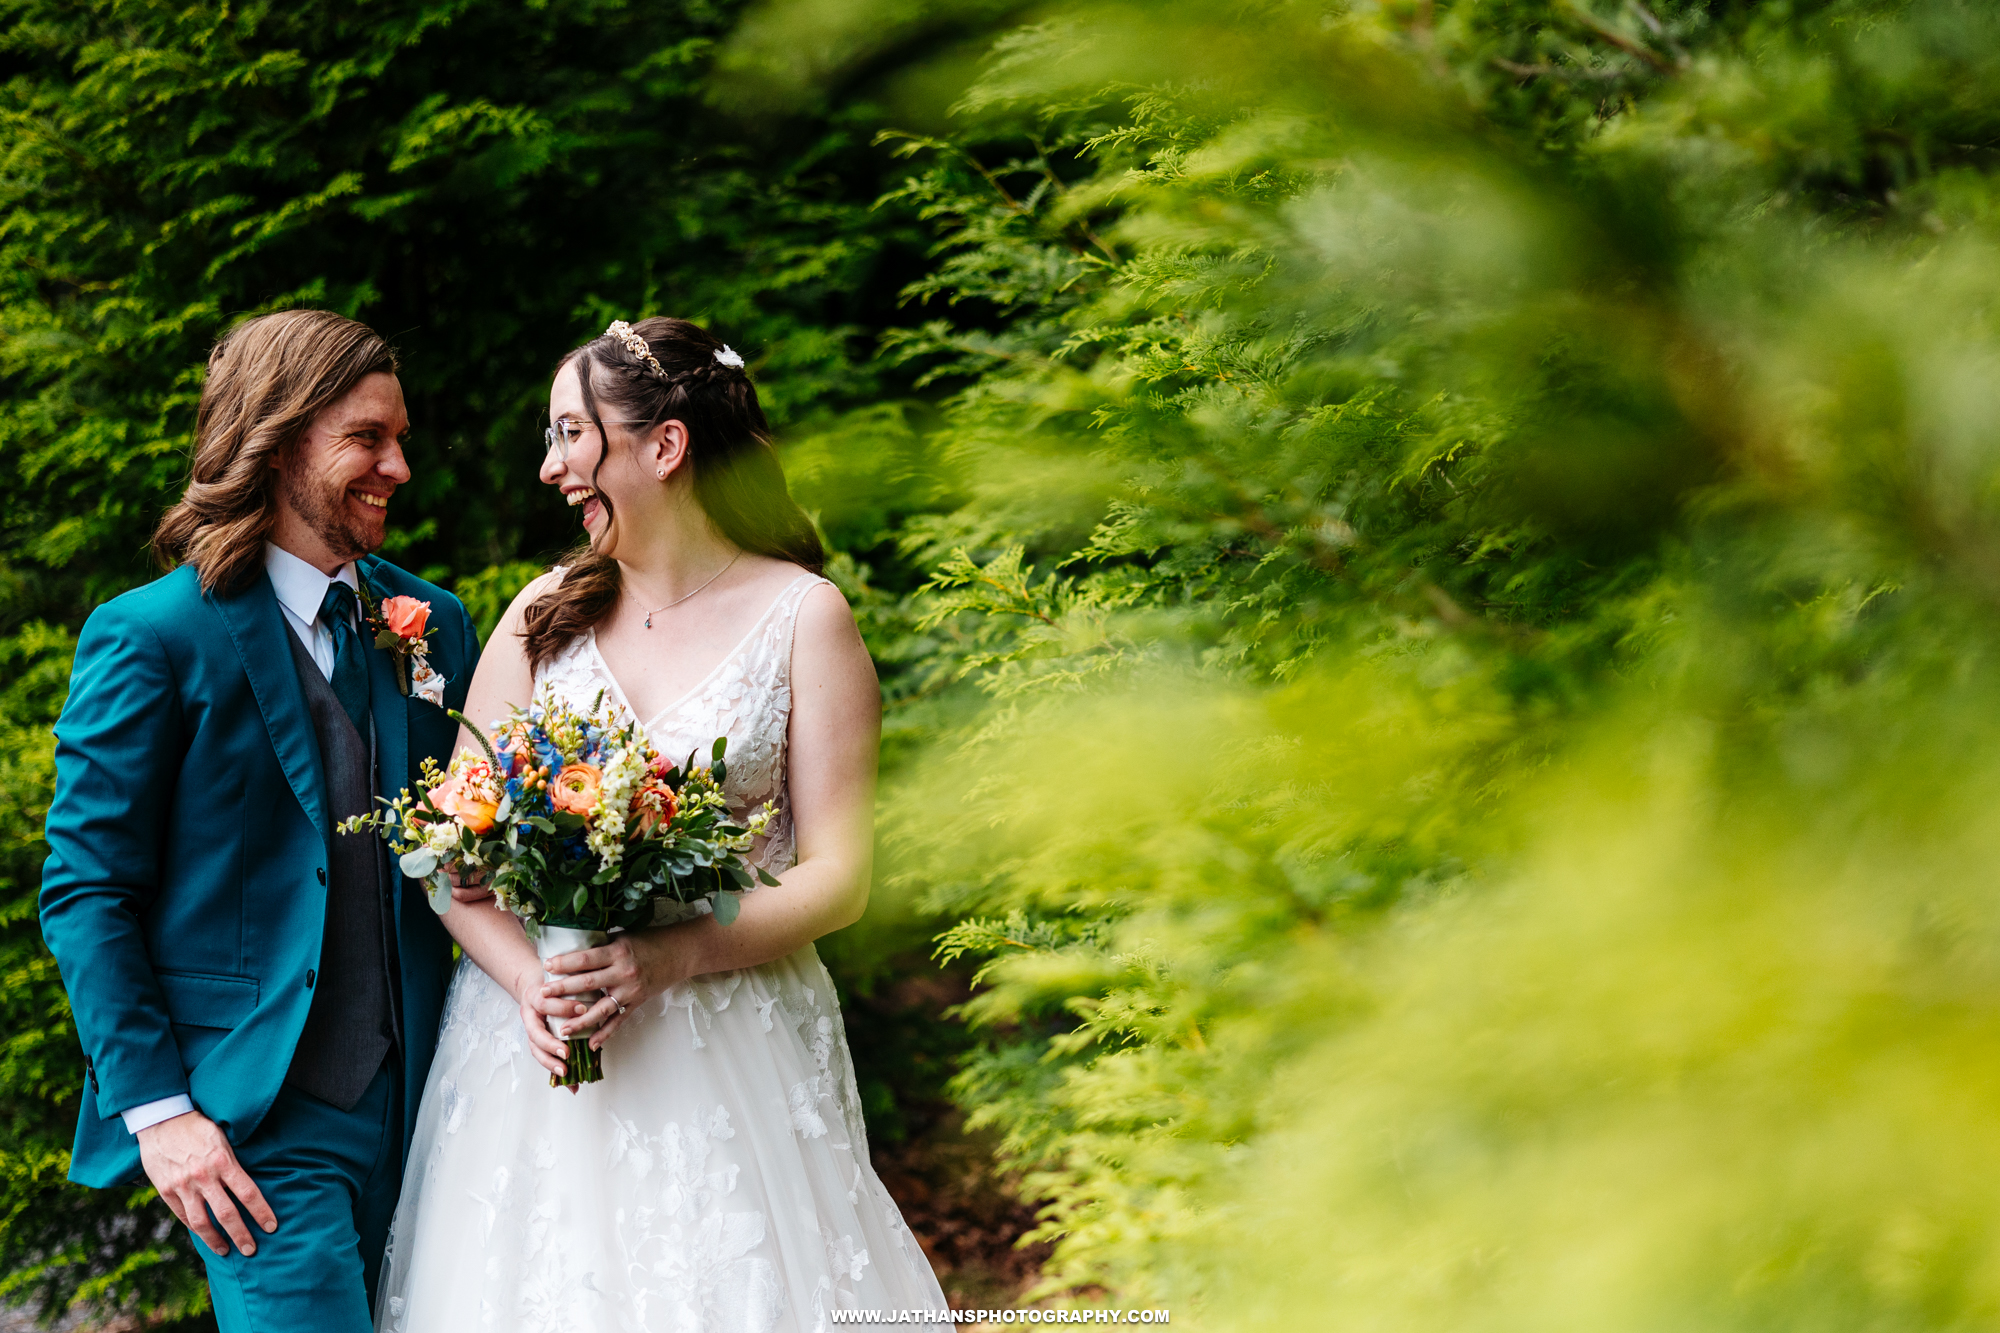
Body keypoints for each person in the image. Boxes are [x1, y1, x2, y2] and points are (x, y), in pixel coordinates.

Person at [374, 318, 950, 1332]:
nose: (550, 468)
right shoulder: (541, 615)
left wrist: (671, 957)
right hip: (535, 1063)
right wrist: (529, 983)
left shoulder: (803, 617)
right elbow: (445, 854)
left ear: (664, 447)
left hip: (730, 1045)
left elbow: (838, 877)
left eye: (568, 435)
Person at [38, 310, 481, 1332]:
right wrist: (162, 1116)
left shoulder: (434, 624)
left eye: (400, 438)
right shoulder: (154, 636)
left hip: (435, 1115)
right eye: (367, 438)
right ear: (279, 442)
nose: (398, 467)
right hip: (255, 1127)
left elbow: (466, 852)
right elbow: (87, 888)